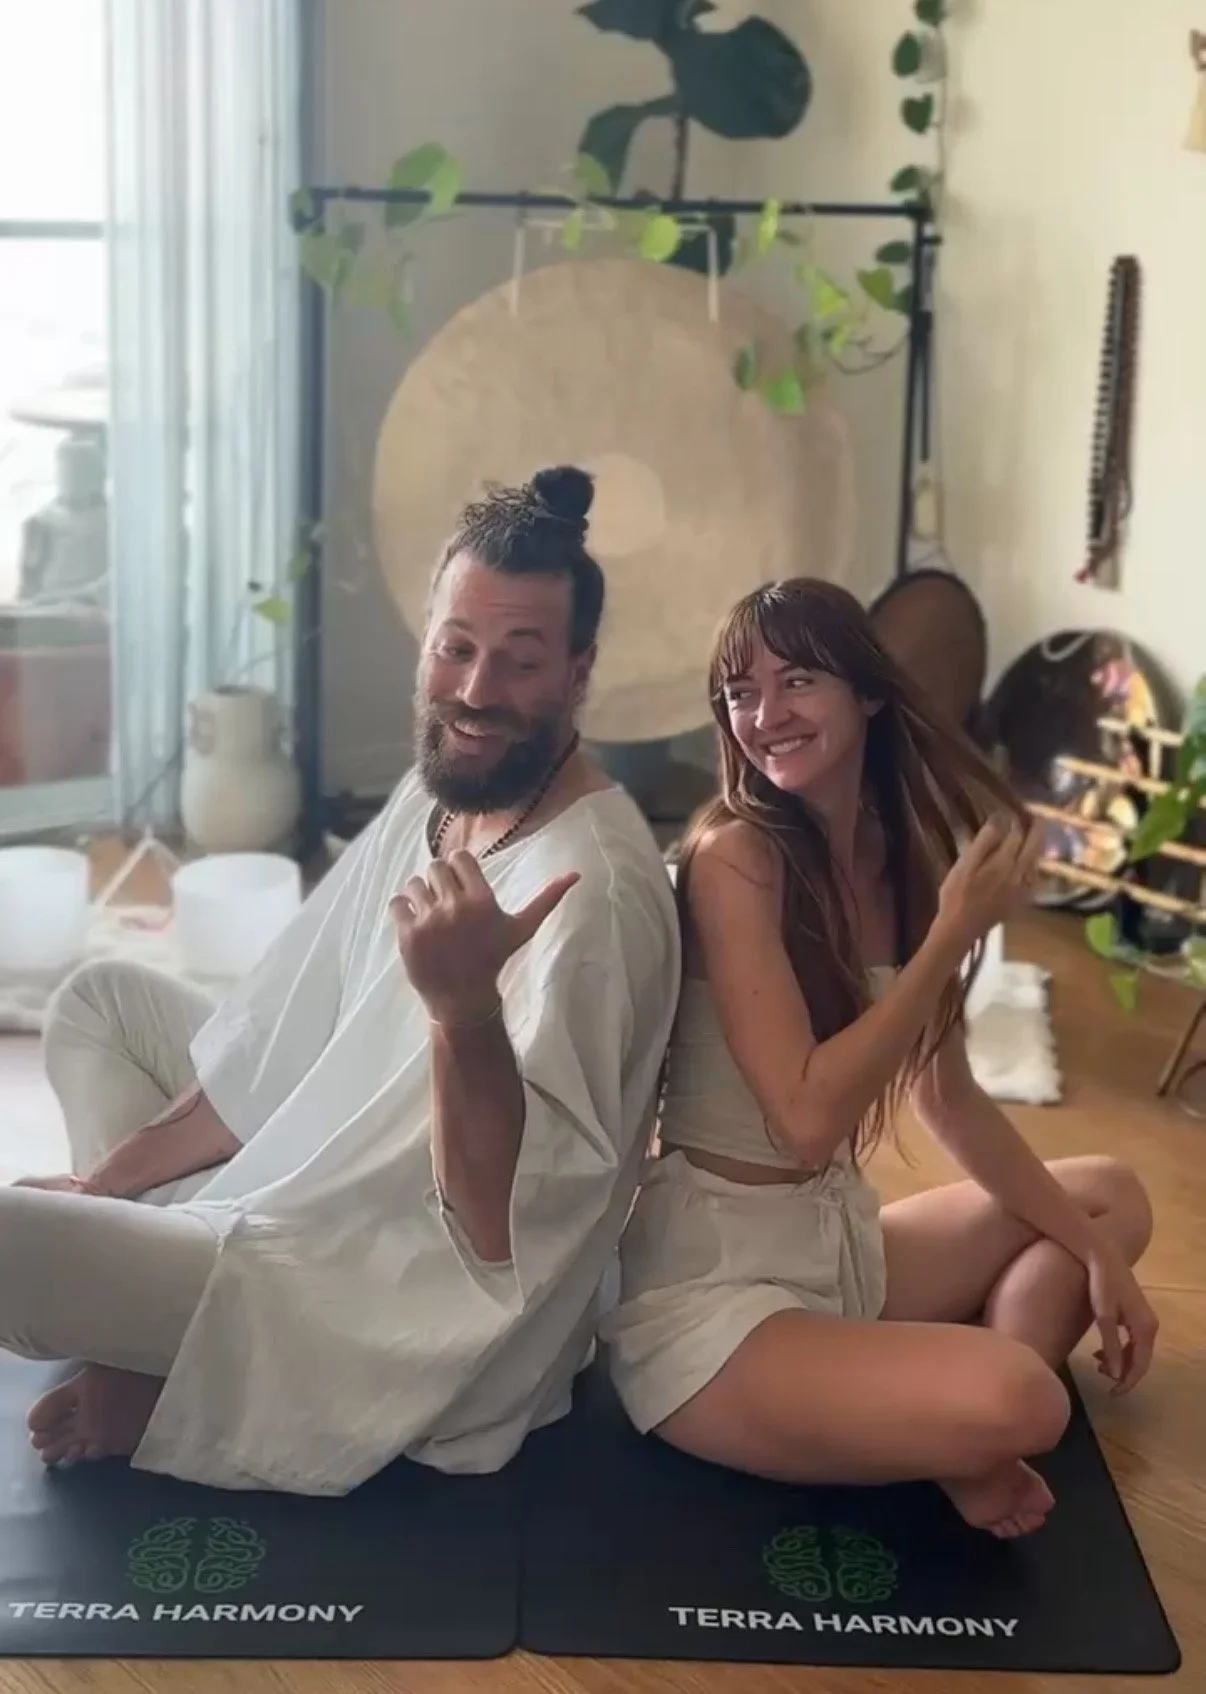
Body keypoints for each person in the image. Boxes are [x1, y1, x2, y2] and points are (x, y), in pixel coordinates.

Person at [0, 465, 681, 1495]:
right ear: (426, 641)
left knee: (10, 1240)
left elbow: (499, 1236)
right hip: (310, 1182)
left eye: (521, 661)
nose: (476, 691)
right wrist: (103, 1189)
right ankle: (159, 1336)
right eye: (457, 647)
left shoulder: (593, 892)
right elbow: (279, 1040)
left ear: (578, 672)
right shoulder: (439, 792)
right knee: (99, 1003)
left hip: (386, 1306)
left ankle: (201, 1367)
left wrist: (463, 1012)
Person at [604, 578, 1156, 1540]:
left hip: (836, 1244)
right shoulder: (735, 857)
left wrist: (1099, 1257)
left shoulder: (901, 856)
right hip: (715, 1290)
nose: (765, 715)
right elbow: (806, 1121)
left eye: (797, 681)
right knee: (1028, 1400)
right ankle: (955, 1421)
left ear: (866, 692)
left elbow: (951, 1101)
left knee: (1111, 1202)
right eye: (740, 693)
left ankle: (940, 1428)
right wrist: (950, 939)